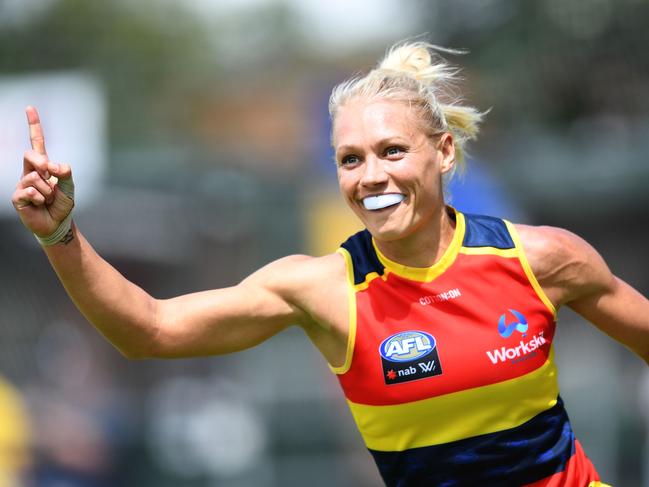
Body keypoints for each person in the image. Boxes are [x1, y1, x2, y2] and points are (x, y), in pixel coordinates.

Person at [12, 41, 648, 486]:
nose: (372, 177)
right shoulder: (320, 289)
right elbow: (147, 329)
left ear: (445, 151)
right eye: (350, 159)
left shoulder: (542, 259)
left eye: (392, 150)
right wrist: (62, 234)